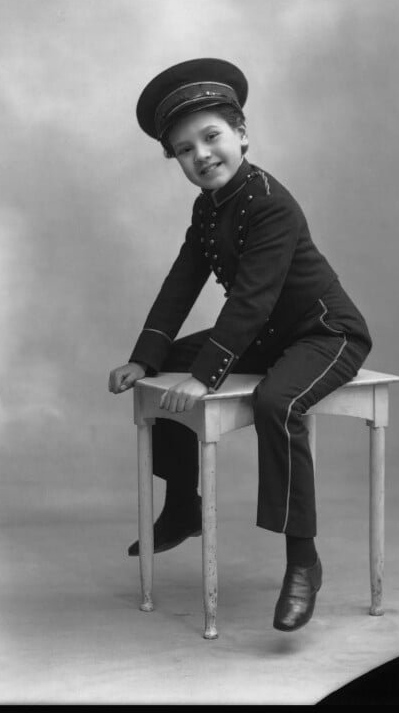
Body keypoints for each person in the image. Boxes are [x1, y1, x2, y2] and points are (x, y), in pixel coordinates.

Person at [108, 58, 372, 632]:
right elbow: (181, 283)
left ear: (242, 135)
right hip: (267, 336)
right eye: (184, 150)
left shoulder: (271, 201)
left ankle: (303, 561)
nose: (201, 155)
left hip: (324, 332)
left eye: (211, 137)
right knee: (166, 363)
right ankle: (184, 506)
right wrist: (144, 357)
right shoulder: (207, 209)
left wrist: (205, 378)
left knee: (279, 402)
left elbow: (251, 299)